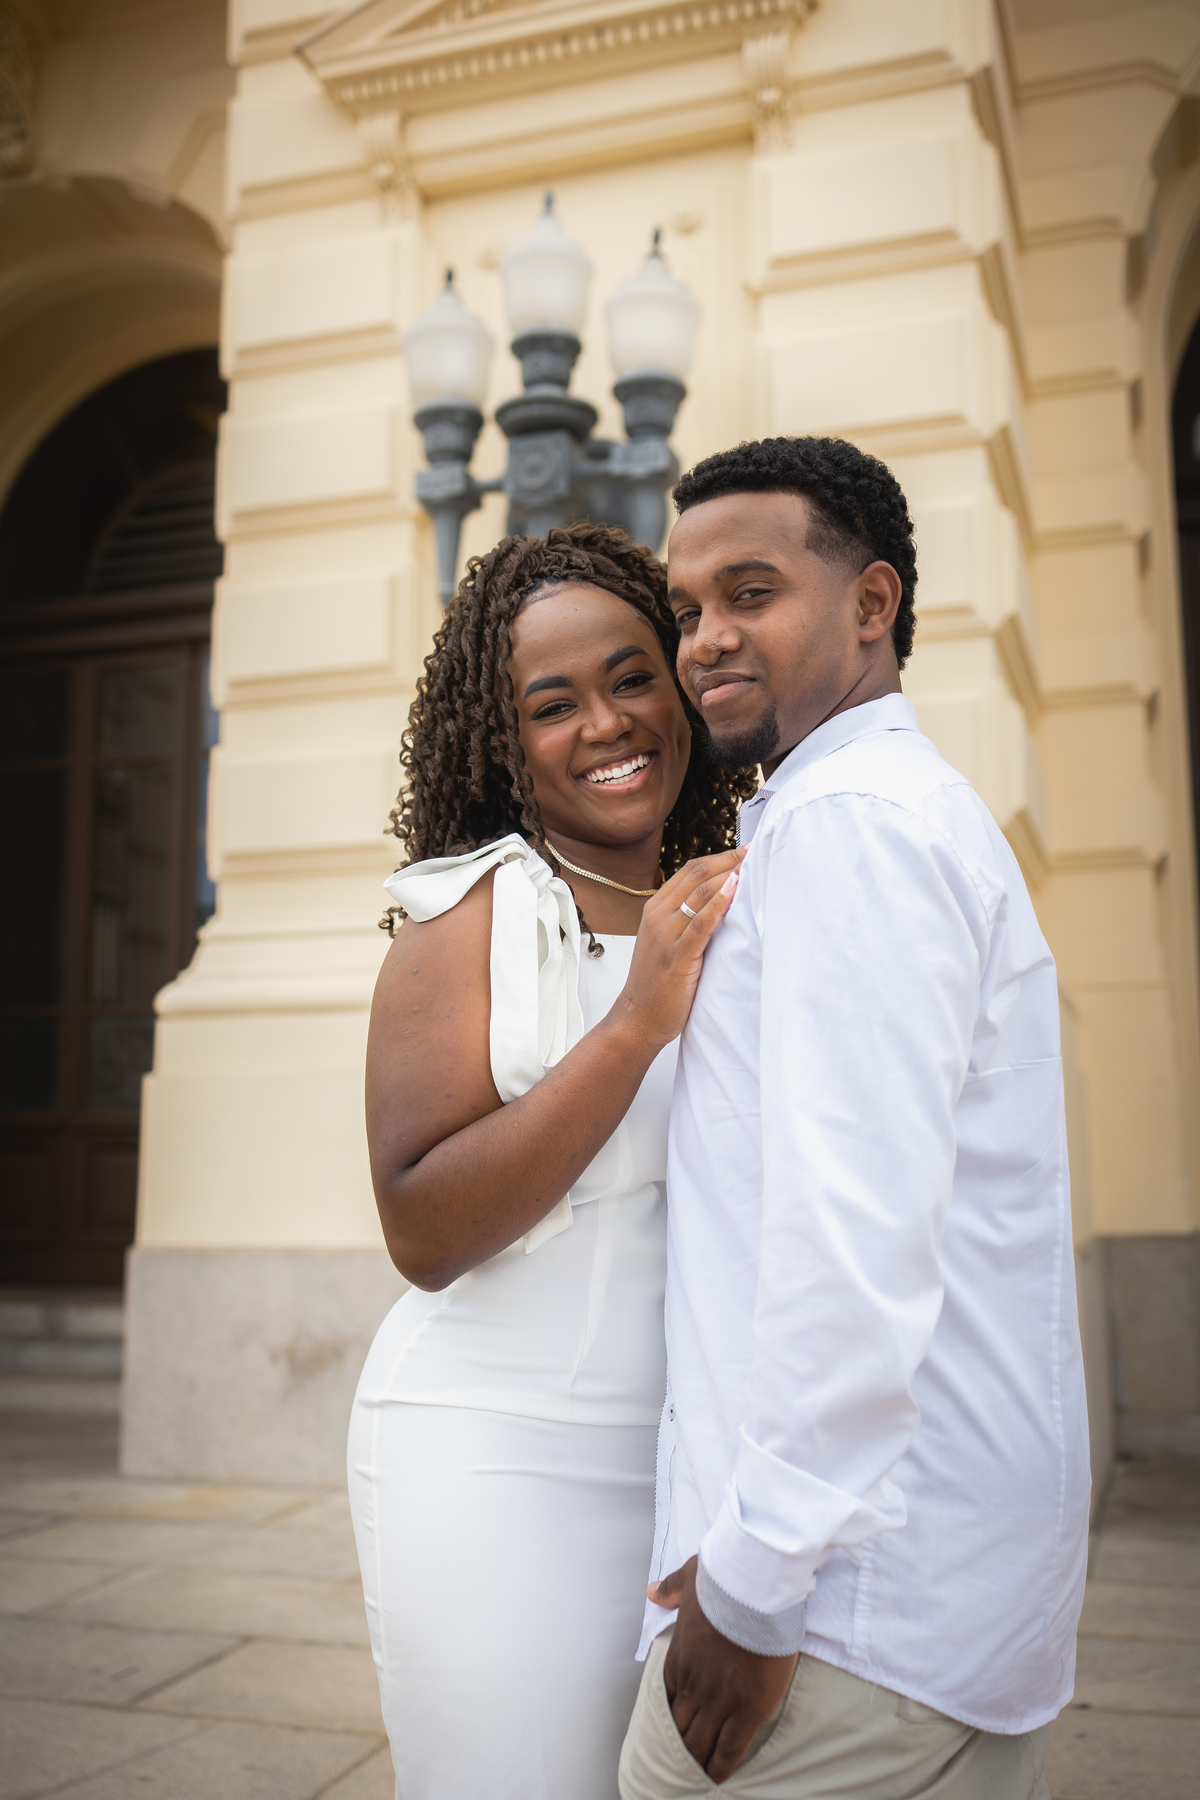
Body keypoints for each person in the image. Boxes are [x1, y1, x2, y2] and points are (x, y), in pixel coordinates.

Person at [618, 437, 1091, 1799]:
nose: (705, 638)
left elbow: (850, 1242)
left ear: (872, 605)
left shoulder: (855, 829)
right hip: (912, 1613)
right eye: (689, 605)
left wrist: (752, 1594)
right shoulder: (869, 813)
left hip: (837, 1634)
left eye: (750, 592)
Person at [347, 523, 756, 1800]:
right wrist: (635, 1025)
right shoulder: (468, 912)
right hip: (489, 1452)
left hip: (683, 1470)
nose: (608, 723)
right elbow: (423, 1226)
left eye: (634, 676)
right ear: (501, 739)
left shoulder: (733, 900)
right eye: (552, 703)